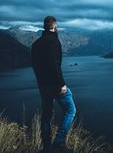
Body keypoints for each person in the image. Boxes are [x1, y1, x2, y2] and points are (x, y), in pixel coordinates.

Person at [31, 16, 76, 153]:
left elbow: (35, 66)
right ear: (55, 27)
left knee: (46, 115)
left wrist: (41, 82)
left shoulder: (36, 44)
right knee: (70, 110)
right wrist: (62, 84)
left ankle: (46, 147)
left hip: (42, 85)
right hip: (55, 85)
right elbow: (54, 65)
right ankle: (59, 141)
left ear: (44, 26)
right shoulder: (54, 42)